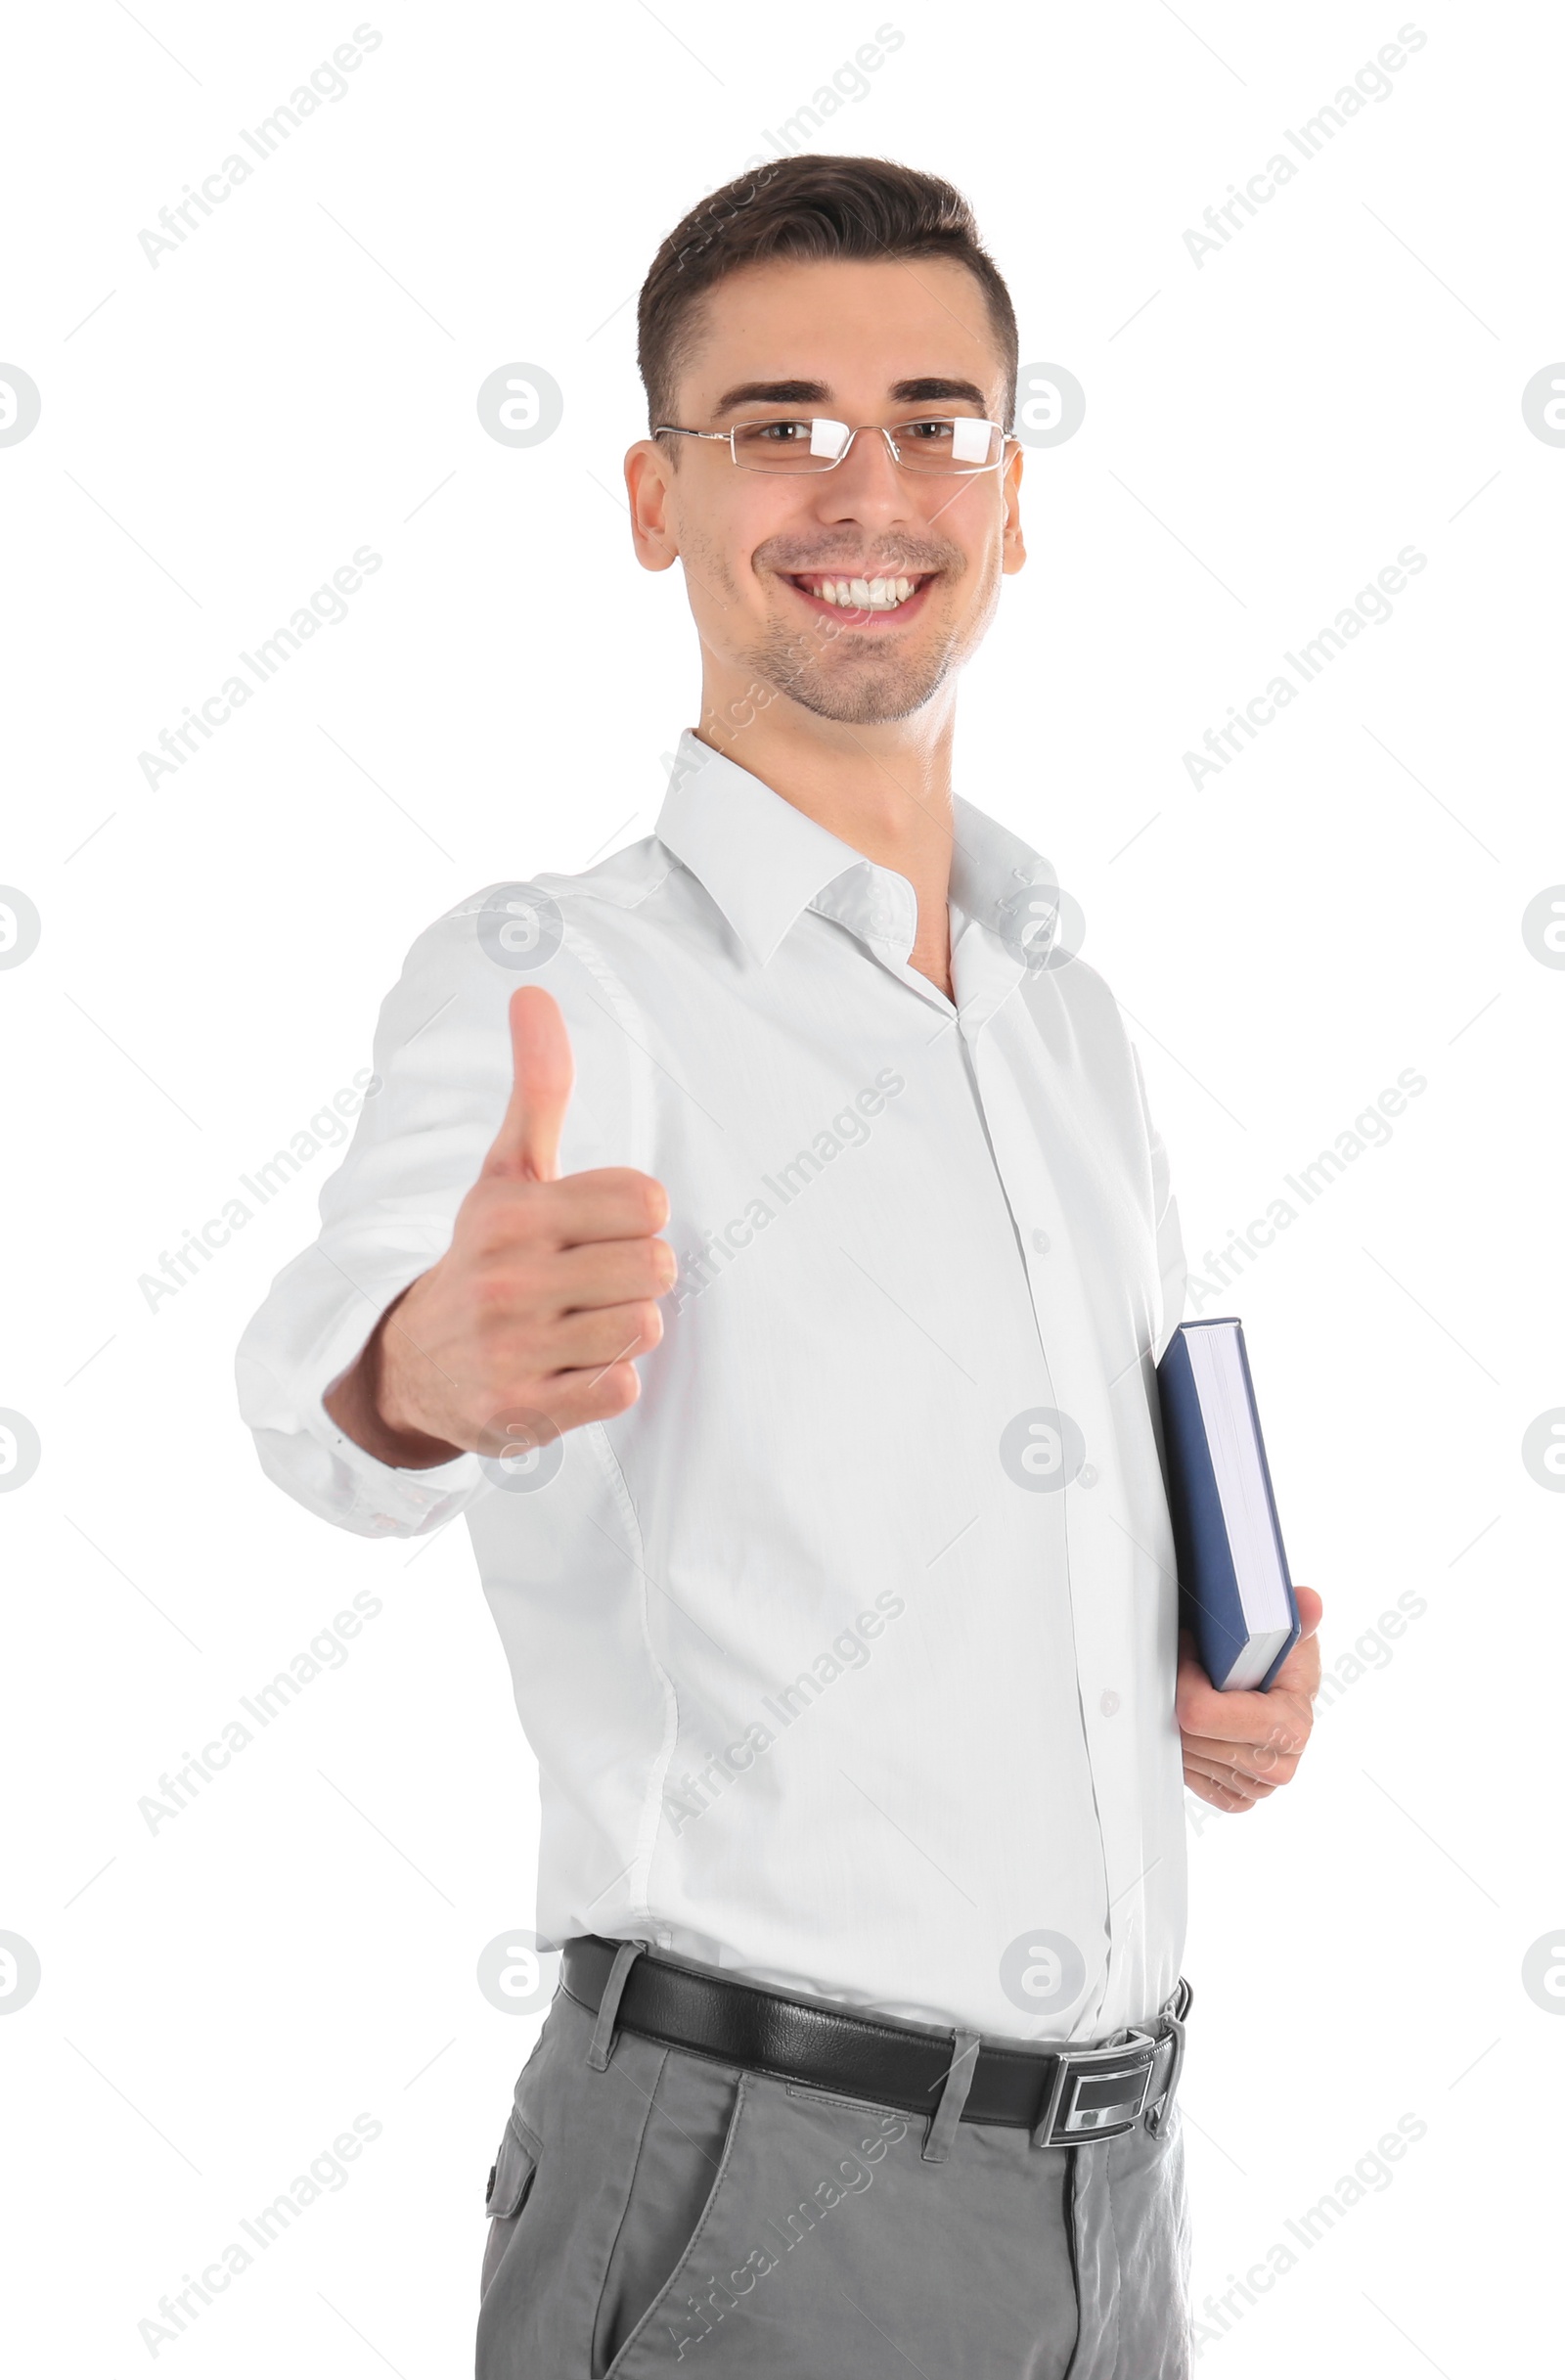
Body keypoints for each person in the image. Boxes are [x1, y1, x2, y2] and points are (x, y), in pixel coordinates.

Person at [236, 154, 1322, 2380]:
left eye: (934, 422)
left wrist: (1202, 1682)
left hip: (1119, 2194)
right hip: (756, 2188)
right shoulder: (558, 981)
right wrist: (418, 1368)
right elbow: (321, 1388)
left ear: (1008, 504)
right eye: (780, 427)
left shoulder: (1059, 1012)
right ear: (654, 499)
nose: (869, 486)